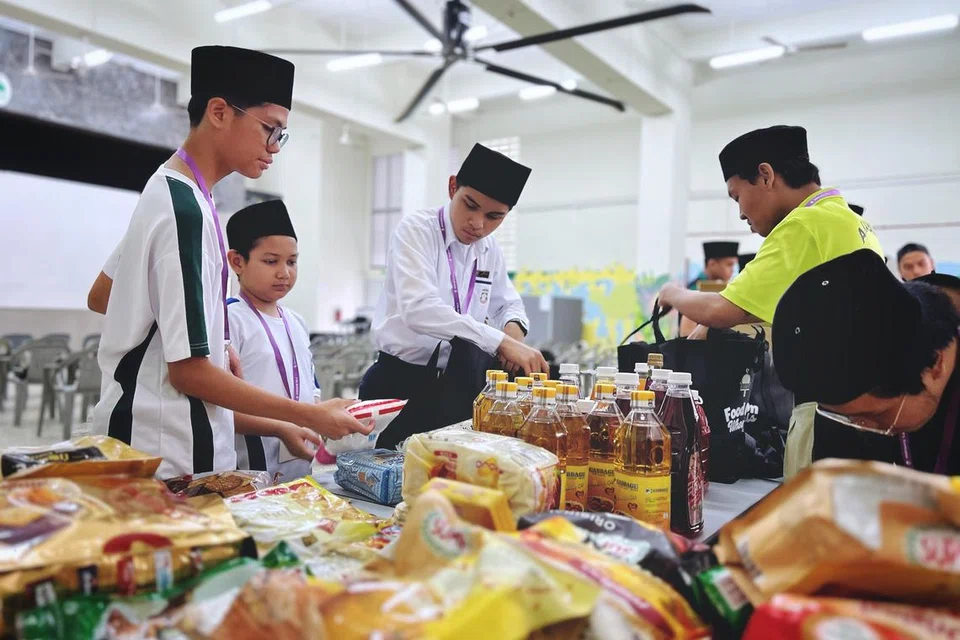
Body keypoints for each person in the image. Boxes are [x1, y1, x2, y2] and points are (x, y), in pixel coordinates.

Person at [91, 46, 369, 478]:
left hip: (161, 440)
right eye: (270, 129)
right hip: (170, 451)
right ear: (219, 111)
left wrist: (209, 340)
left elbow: (104, 295)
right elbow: (189, 375)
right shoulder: (184, 210)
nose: (275, 147)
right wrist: (307, 415)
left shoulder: (171, 192)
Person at [360, 143, 547, 437]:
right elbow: (419, 309)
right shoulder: (417, 231)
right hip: (399, 384)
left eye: (494, 217)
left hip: (457, 387)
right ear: (452, 188)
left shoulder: (488, 249)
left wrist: (512, 333)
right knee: (391, 477)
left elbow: (507, 304)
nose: (478, 224)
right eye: (470, 205)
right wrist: (498, 342)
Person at [773, 249, 960, 476]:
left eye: (878, 416)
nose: (862, 427)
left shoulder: (912, 346)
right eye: (845, 417)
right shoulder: (843, 390)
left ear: (935, 366)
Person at [226, 199, 327, 483]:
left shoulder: (296, 321)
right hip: (249, 472)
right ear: (237, 261)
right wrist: (280, 428)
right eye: (271, 261)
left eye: (292, 261)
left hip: (301, 469)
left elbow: (311, 389)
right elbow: (218, 409)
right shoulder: (228, 319)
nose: (284, 272)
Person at [680, 241, 738, 336]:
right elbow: (686, 333)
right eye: (729, 264)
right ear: (712, 264)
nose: (732, 270)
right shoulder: (696, 290)